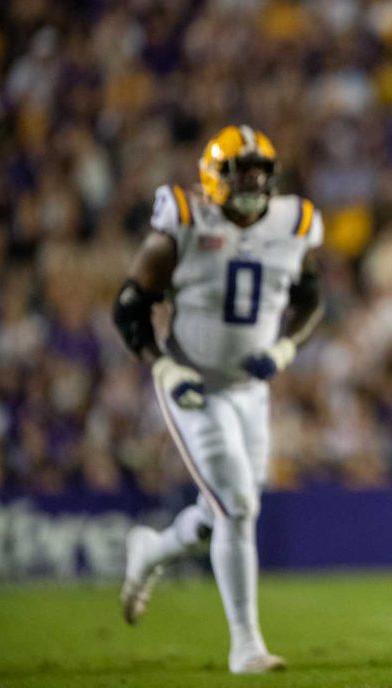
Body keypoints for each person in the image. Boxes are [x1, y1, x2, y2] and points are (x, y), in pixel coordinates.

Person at [112, 126, 324, 673]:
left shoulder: (294, 222)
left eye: (260, 172)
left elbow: (310, 298)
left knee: (219, 514)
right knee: (239, 504)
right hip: (193, 385)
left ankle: (151, 550)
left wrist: (282, 349)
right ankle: (245, 645)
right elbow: (130, 306)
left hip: (251, 389)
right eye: (240, 171)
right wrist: (163, 366)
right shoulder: (183, 220)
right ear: (214, 176)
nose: (253, 181)